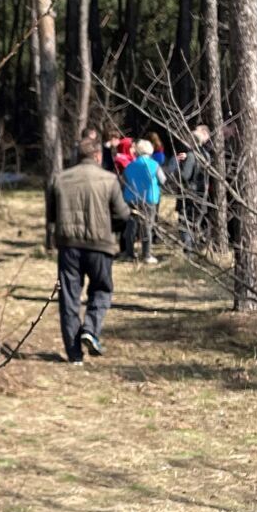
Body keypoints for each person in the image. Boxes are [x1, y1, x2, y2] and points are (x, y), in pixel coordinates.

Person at [47, 134, 129, 364]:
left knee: (69, 298)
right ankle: (91, 329)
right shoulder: (109, 179)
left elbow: (51, 215)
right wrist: (113, 229)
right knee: (102, 290)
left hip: (69, 245)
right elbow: (123, 214)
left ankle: (74, 354)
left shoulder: (60, 179)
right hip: (100, 245)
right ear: (97, 156)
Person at [123, 139, 162, 263]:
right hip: (149, 199)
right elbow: (163, 179)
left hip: (132, 198)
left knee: (131, 227)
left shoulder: (130, 165)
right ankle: (146, 255)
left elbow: (124, 181)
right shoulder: (154, 165)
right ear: (150, 150)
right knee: (147, 227)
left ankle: (129, 253)